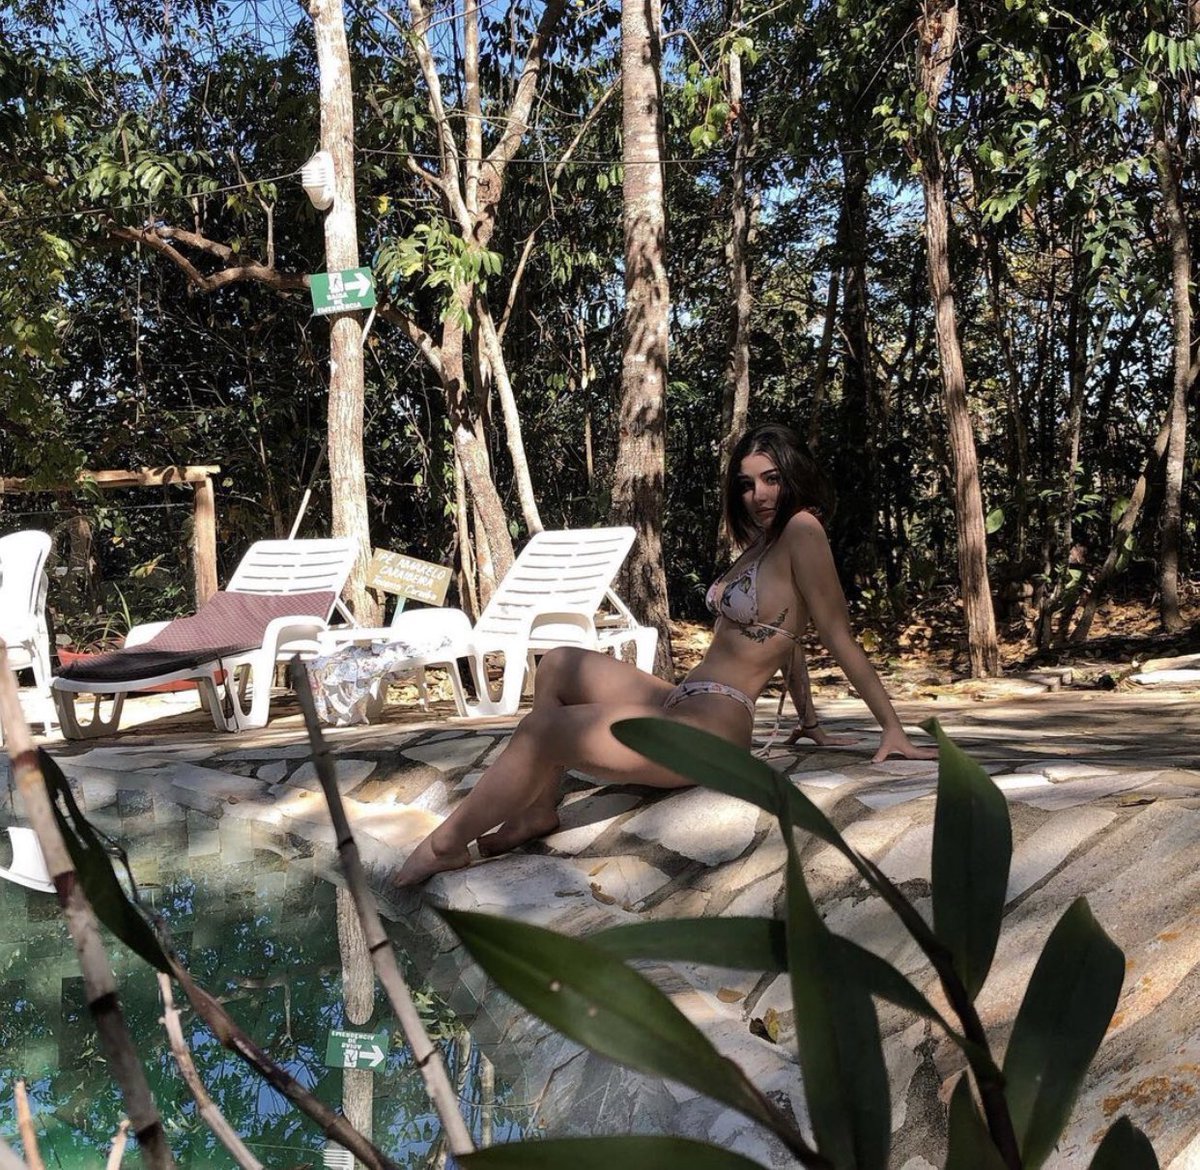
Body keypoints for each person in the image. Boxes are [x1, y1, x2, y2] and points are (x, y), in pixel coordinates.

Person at [396, 422, 935, 885]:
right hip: (682, 699)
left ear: (794, 475)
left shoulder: (803, 529)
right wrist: (809, 719)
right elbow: (786, 635)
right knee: (558, 662)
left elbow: (836, 634)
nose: (759, 495)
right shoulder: (763, 544)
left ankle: (445, 846)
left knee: (541, 731)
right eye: (747, 484)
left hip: (715, 729)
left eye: (772, 479)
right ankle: (537, 810)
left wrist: (892, 729)